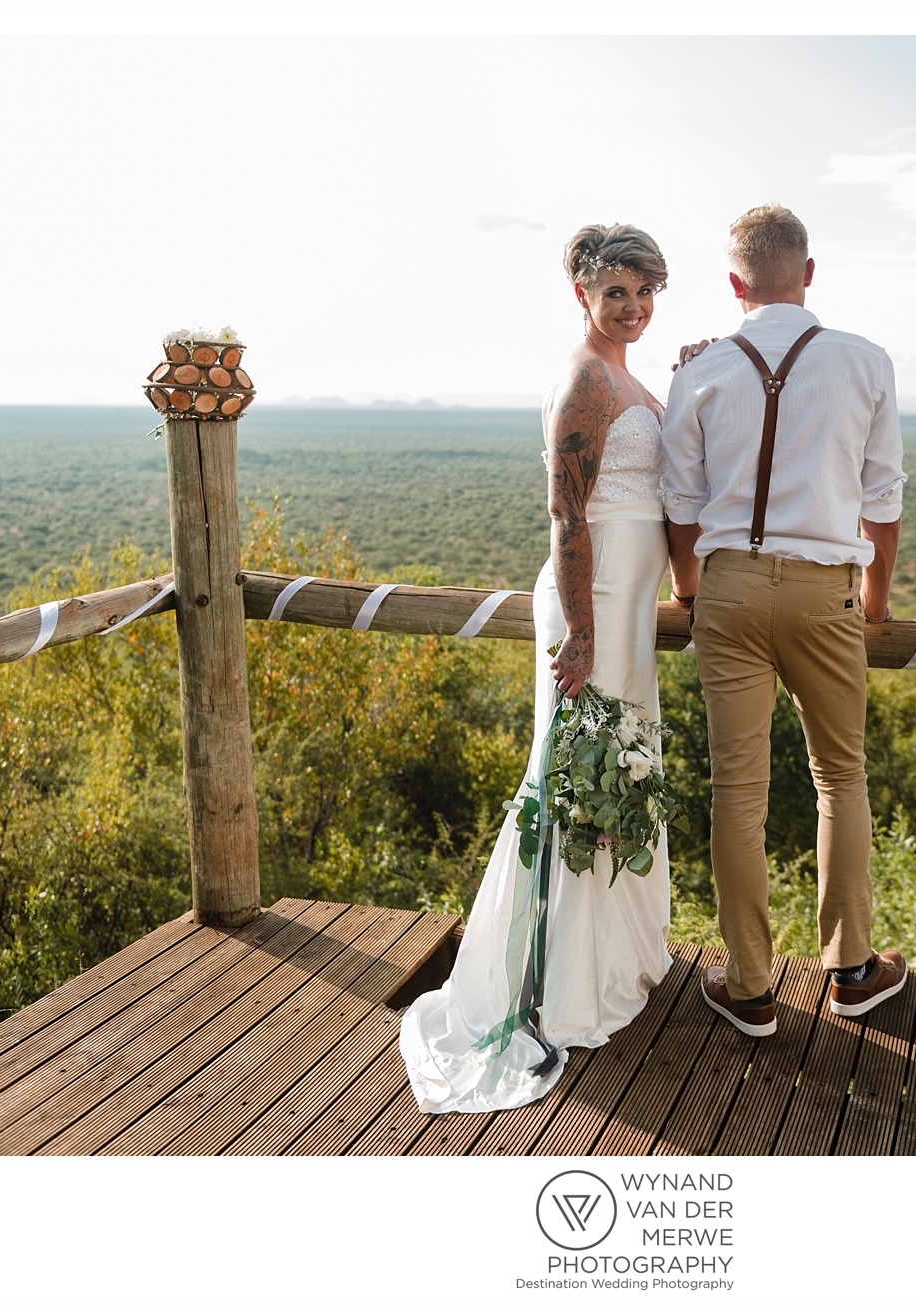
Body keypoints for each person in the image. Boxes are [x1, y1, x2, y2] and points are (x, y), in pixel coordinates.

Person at [399, 224, 675, 1113]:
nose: (633, 309)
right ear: (583, 295)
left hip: (632, 604)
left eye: (646, 294)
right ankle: (552, 980)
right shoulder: (583, 380)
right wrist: (584, 633)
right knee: (569, 781)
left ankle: (608, 957)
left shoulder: (632, 377)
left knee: (615, 774)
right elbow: (567, 518)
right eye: (618, 294)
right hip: (592, 605)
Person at [662, 204, 908, 1038]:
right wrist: (874, 605)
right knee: (840, 775)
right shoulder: (865, 360)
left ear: (735, 284)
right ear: (808, 272)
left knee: (738, 788)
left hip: (726, 591)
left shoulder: (698, 370)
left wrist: (694, 592)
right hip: (826, 590)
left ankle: (751, 986)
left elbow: (682, 506)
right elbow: (883, 499)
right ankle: (851, 970)